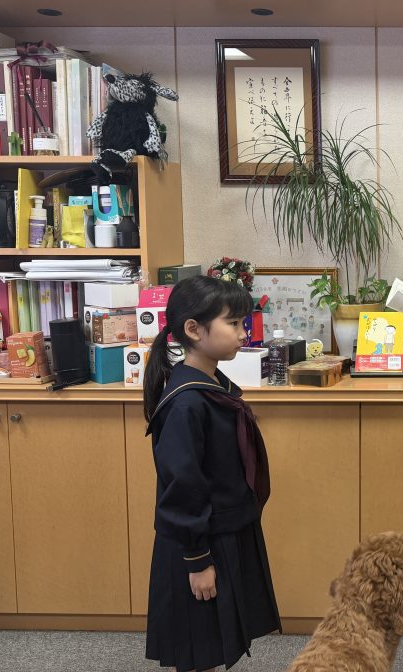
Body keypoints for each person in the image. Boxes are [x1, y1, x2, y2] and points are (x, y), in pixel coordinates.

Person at [143, 275, 281, 672]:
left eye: (243, 323)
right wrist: (198, 561)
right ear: (193, 329)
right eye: (233, 323)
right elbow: (183, 488)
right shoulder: (187, 404)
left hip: (221, 530)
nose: (243, 333)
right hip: (198, 542)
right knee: (198, 647)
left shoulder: (213, 384)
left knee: (215, 641)